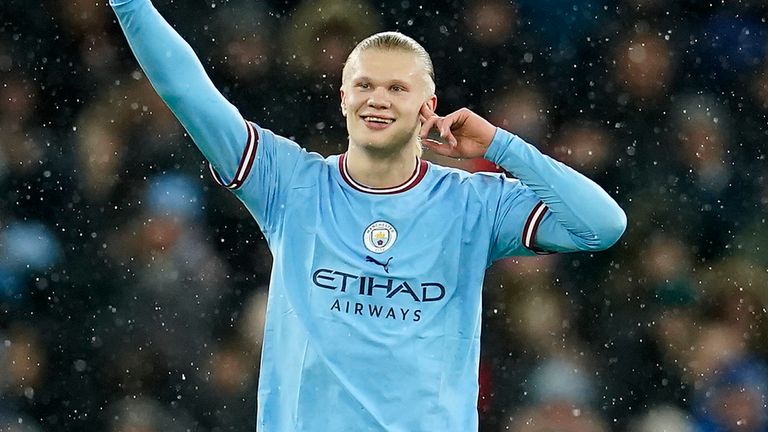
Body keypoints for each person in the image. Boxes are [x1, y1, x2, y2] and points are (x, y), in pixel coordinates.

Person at [109, 0, 627, 430]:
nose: (377, 99)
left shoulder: (475, 202)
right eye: (364, 85)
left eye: (397, 88)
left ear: (428, 105)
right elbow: (187, 92)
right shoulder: (289, 183)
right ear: (343, 98)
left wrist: (501, 144)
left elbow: (602, 226)